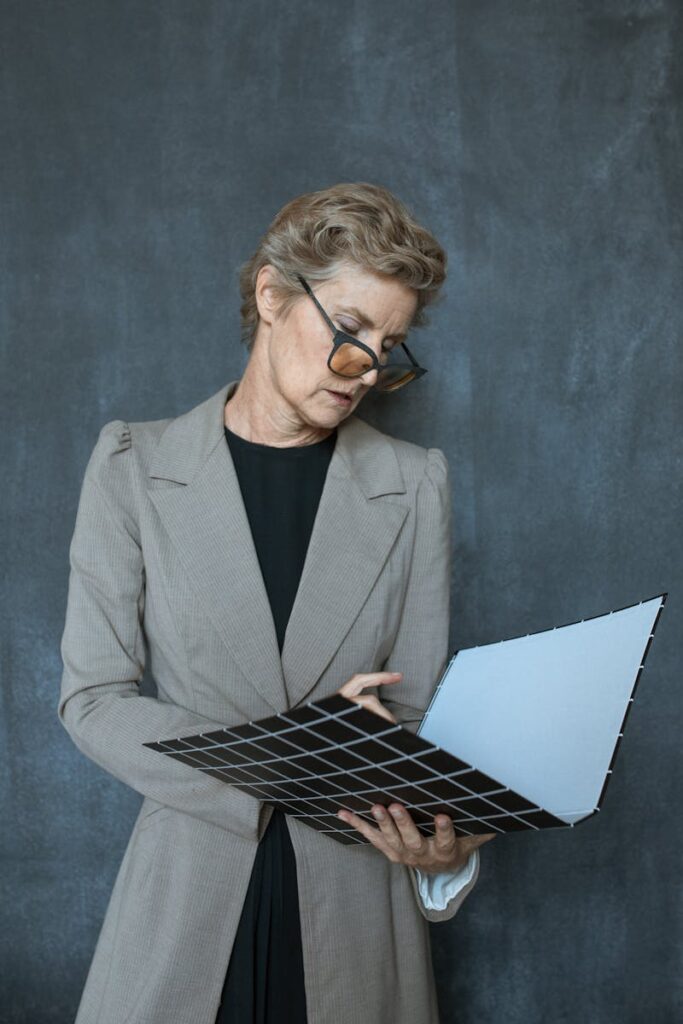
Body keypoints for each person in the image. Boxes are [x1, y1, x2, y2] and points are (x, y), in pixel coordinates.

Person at [58, 181, 496, 1024]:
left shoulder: (412, 484)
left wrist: (445, 838)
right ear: (270, 294)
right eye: (349, 330)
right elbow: (94, 700)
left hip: (359, 911)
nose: (366, 367)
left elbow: (410, 721)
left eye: (389, 345)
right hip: (184, 895)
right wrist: (287, 758)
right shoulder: (131, 465)